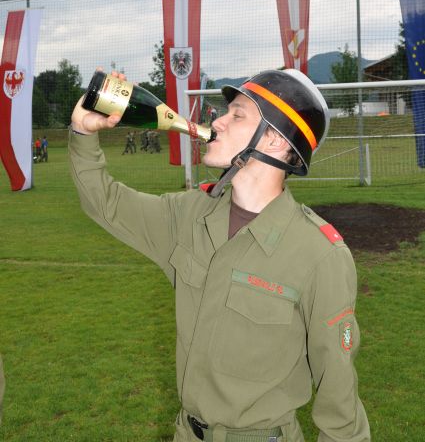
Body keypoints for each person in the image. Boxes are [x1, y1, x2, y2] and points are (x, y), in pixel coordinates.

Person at [69, 68, 370, 442]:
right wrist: (83, 132)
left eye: (237, 115)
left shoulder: (319, 254)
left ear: (274, 140)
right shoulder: (189, 215)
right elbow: (106, 203)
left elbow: (339, 403)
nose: (218, 122)